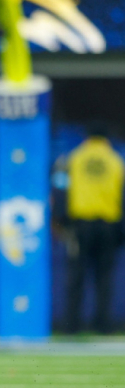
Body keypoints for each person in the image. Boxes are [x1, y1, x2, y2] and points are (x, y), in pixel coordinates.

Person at [64, 131, 125, 334]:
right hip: (108, 225)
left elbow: (64, 189)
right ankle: (103, 325)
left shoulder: (75, 158)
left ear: (87, 139)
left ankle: (72, 325)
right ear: (106, 139)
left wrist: (64, 222)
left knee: (76, 276)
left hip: (81, 225)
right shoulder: (115, 160)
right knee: (105, 277)